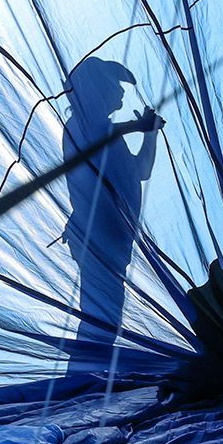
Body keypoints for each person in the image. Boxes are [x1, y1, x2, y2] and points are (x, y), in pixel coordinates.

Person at [60, 57, 163, 376]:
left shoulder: (109, 135)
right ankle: (81, 380)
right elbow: (96, 133)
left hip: (116, 239)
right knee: (99, 312)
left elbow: (141, 170)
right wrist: (137, 126)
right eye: (113, 87)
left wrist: (150, 134)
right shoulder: (80, 127)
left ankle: (86, 376)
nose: (119, 95)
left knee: (106, 314)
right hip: (95, 235)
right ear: (95, 90)